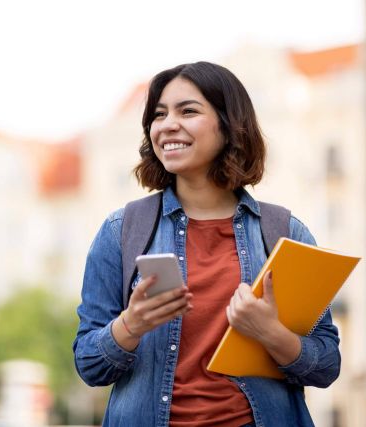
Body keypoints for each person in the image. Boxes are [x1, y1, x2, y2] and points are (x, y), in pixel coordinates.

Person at [73, 61, 340, 427]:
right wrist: (130, 325)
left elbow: (326, 365)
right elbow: (89, 365)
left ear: (230, 126)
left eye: (188, 111)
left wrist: (270, 333)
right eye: (159, 114)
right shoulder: (121, 231)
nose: (168, 125)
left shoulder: (284, 233)